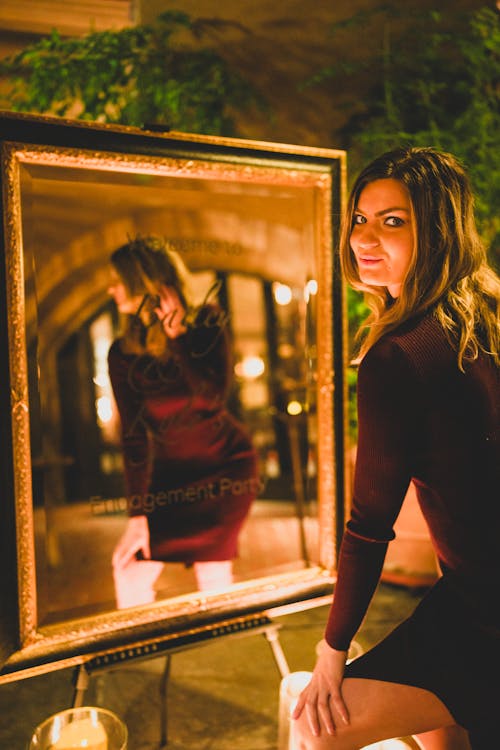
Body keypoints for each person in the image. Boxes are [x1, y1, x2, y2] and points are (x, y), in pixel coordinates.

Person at [292, 147, 499, 750]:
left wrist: (330, 650)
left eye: (393, 220)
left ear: (436, 229)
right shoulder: (482, 317)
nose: (364, 237)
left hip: (484, 612)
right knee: (439, 725)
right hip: (471, 595)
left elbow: (368, 526)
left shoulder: (399, 355)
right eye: (360, 218)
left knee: (315, 727)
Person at [107, 236, 260, 601]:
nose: (111, 288)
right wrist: (137, 515)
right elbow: (134, 436)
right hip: (169, 478)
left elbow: (212, 399)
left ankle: (226, 653)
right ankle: (132, 652)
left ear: (143, 280)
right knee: (127, 567)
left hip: (226, 469)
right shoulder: (123, 353)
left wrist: (178, 338)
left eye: (117, 278)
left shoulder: (207, 323)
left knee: (214, 573)